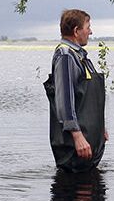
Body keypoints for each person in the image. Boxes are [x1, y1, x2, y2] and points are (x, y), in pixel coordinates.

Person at [44, 9, 108, 171]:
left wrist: (101, 128)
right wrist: (77, 135)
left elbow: (87, 99)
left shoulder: (79, 55)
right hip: (74, 147)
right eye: (88, 27)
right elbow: (64, 98)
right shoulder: (65, 56)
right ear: (76, 31)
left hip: (87, 144)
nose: (90, 31)